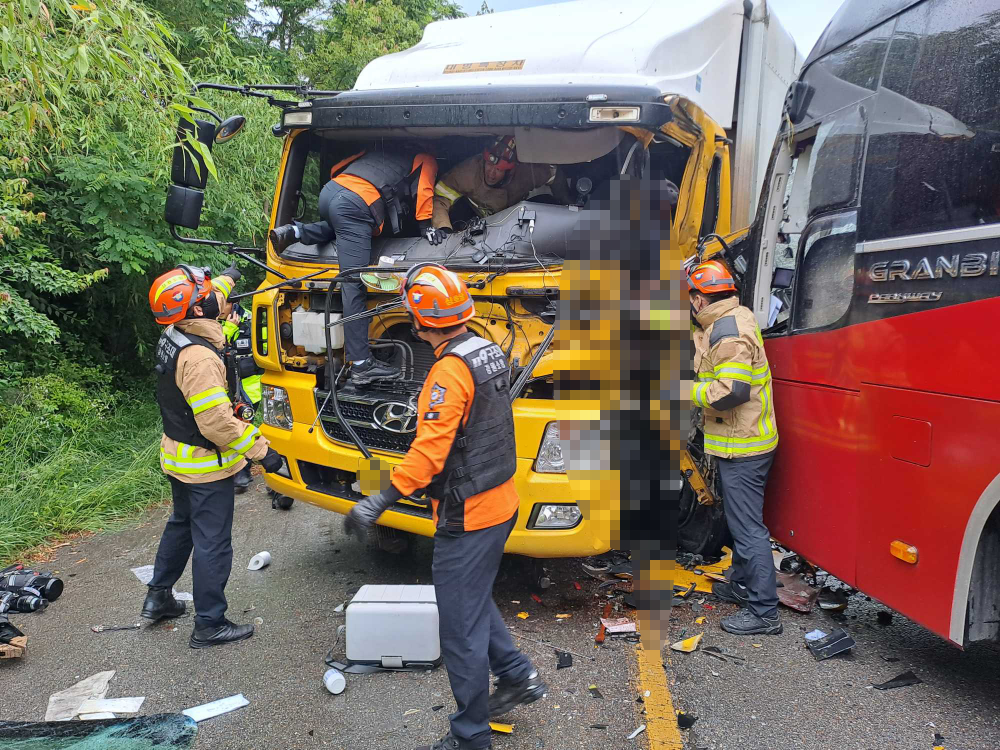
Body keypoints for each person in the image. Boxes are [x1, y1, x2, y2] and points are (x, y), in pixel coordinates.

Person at [343, 264, 545, 750]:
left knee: (459, 629)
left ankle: (472, 735)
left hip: (468, 514)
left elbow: (429, 455)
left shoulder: (448, 370)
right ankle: (518, 675)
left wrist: (378, 500)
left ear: (419, 323)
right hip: (500, 501)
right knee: (469, 602)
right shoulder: (487, 350)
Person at [146, 263, 283, 648]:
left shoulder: (177, 330)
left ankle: (158, 598)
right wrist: (263, 454)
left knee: (181, 525)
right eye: (204, 294)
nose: (214, 296)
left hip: (177, 455)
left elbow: (214, 294)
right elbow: (218, 424)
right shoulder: (201, 359)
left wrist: (232, 273)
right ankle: (209, 623)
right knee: (213, 542)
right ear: (197, 309)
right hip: (205, 464)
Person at [268, 145, 438, 385]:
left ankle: (296, 231)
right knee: (353, 284)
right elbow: (425, 191)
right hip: (355, 205)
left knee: (343, 225)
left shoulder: (377, 154)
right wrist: (425, 228)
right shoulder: (427, 157)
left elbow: (337, 167)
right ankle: (361, 364)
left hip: (332, 192)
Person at [688, 259, 781, 636]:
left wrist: (683, 393)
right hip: (740, 441)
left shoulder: (726, 333)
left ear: (698, 298)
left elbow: (731, 392)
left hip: (743, 445)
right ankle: (742, 586)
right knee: (740, 521)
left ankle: (764, 613)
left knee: (748, 528)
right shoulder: (732, 317)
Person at [428, 135, 573, 243]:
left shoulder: (526, 173)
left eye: (499, 170)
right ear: (484, 161)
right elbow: (441, 198)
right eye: (489, 166)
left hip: (513, 220)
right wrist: (443, 228)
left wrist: (568, 202)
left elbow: (554, 174)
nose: (491, 173)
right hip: (475, 219)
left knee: (547, 202)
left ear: (510, 170)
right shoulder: (467, 172)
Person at [221, 303, 262, 494]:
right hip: (226, 385)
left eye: (223, 301)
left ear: (232, 303)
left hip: (251, 386)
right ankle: (235, 470)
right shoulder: (211, 321)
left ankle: (243, 472)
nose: (218, 306)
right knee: (230, 428)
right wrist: (229, 328)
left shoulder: (254, 320)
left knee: (243, 427)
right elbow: (213, 349)